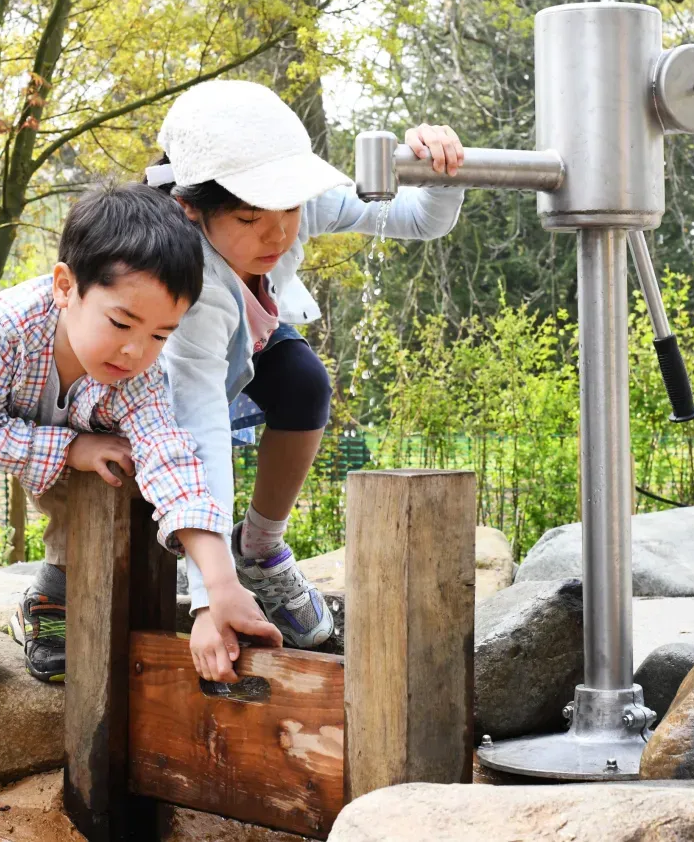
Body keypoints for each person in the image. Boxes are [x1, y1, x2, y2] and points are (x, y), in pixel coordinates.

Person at [0, 183, 281, 684]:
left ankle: (51, 596)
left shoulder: (138, 376)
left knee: (117, 460)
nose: (135, 351)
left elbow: (171, 463)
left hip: (57, 413)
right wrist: (72, 447)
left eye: (161, 335)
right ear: (64, 287)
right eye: (122, 323)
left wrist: (221, 584)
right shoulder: (3, 329)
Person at [147, 79, 466, 649]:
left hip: (248, 341)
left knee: (302, 381)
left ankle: (261, 548)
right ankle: (105, 579)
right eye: (249, 220)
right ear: (190, 209)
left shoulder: (285, 204)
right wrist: (209, 597)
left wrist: (434, 168)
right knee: (150, 466)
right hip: (149, 384)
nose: (279, 232)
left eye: (290, 208)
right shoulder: (187, 281)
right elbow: (202, 431)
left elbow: (419, 219)